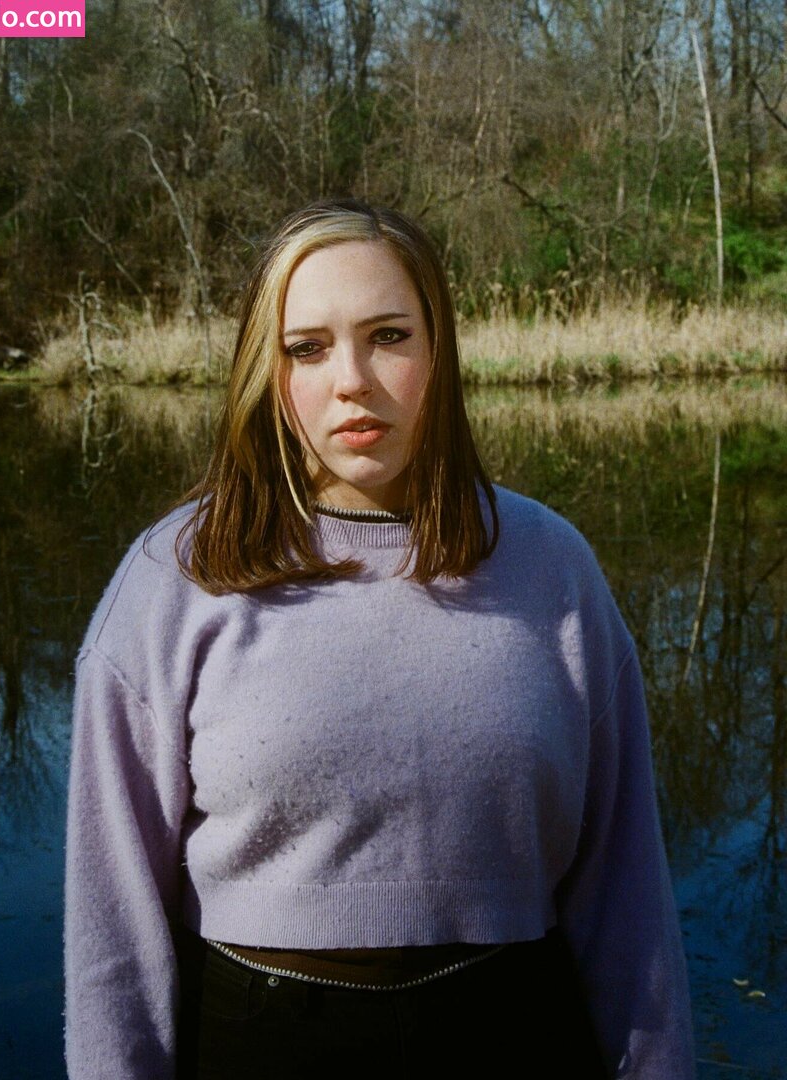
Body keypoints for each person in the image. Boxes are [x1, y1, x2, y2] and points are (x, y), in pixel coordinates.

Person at [64, 198, 696, 1079]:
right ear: (266, 370)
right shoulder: (177, 577)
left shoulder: (552, 566)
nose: (352, 380)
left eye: (388, 336)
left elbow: (626, 891)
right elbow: (113, 923)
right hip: (258, 1042)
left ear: (438, 350)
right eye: (307, 348)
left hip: (517, 1034)